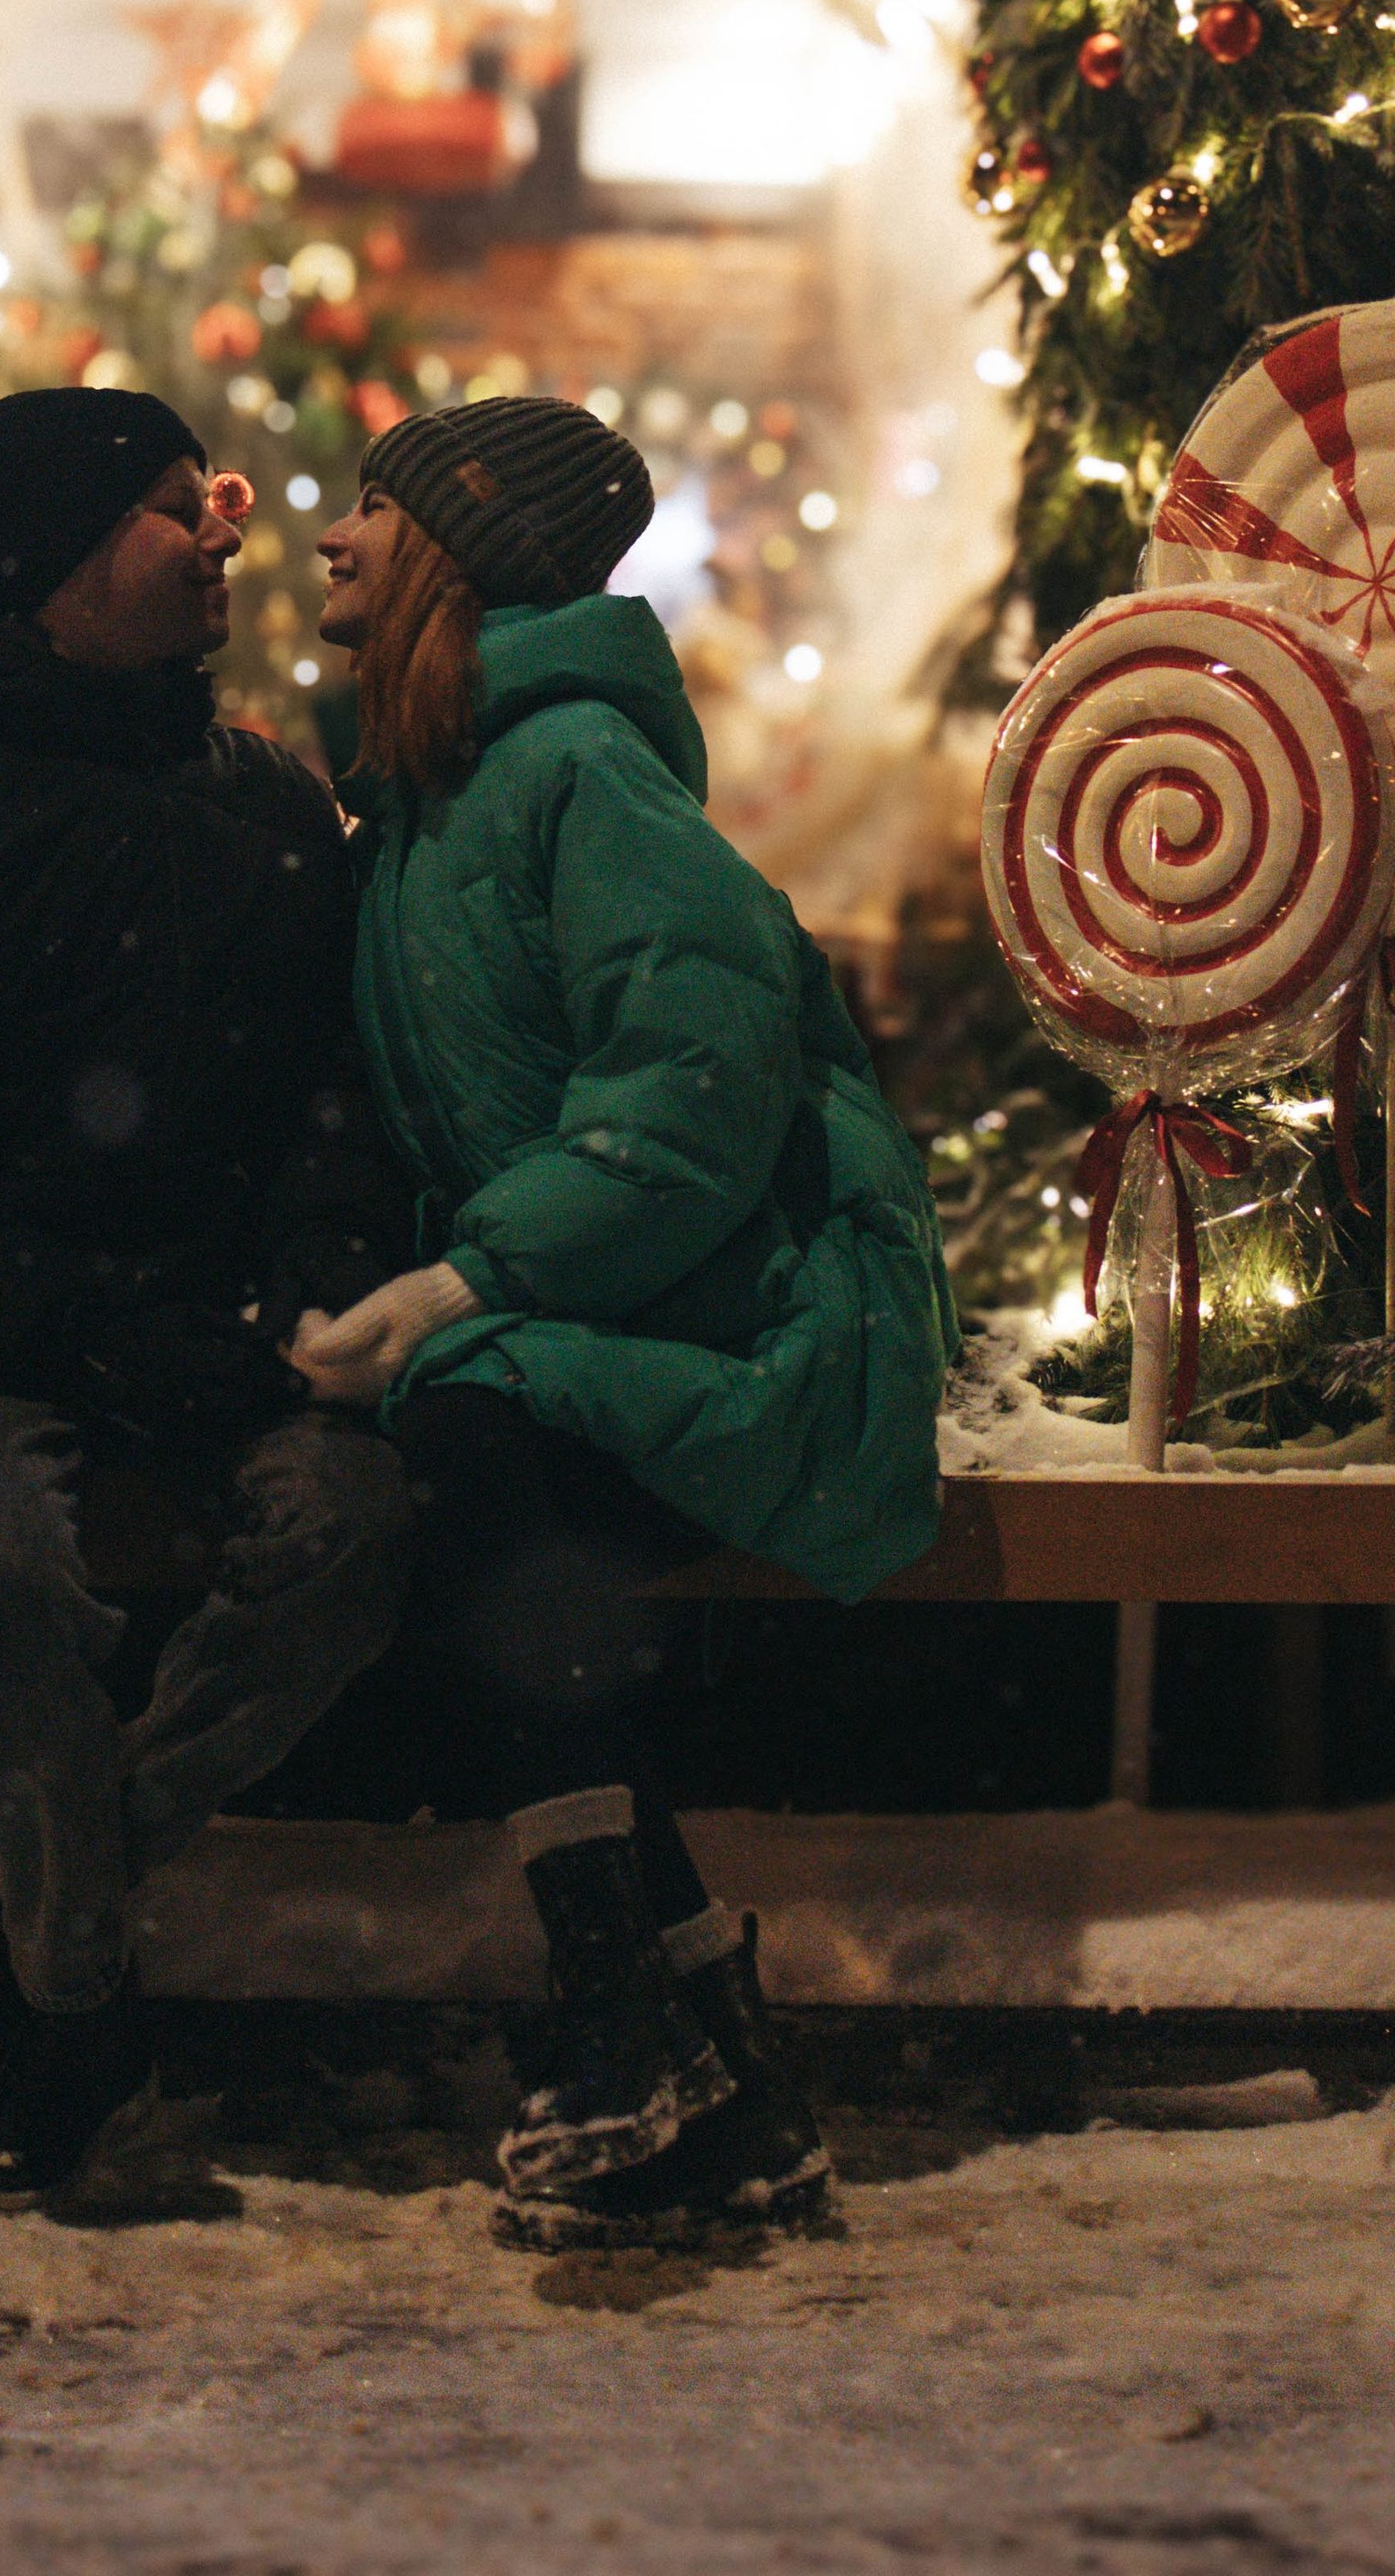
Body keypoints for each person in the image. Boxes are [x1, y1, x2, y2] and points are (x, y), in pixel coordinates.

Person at [0, 387, 411, 2212]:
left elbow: (330, 1110)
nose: (222, 535)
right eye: (168, 507)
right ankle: (83, 2000)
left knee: (354, 1524)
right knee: (1, 1562)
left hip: (205, 1337)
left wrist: (302, 1303)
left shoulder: (267, 807)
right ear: (48, 565)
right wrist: (93, 1327)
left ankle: (14, 1931)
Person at [296, 394, 958, 2249]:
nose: (331, 538)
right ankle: (703, 2070)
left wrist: (462, 1282)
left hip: (754, 1320)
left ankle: (635, 2028)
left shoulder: (576, 767)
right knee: (478, 1501)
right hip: (627, 1307)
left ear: (454, 552)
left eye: (371, 509)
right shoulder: (436, 787)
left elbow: (688, 1092)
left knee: (467, 1461)